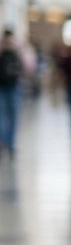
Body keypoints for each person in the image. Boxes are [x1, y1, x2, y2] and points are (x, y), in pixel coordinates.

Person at [0, 29, 27, 158]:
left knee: (14, 116)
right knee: (2, 116)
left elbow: (26, 68)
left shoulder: (17, 53)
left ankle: (10, 143)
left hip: (15, 88)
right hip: (2, 88)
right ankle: (3, 141)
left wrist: (20, 51)